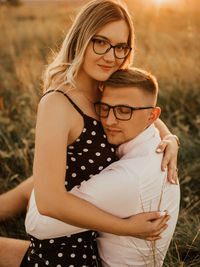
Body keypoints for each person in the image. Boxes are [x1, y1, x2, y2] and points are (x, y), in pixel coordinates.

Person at [0, 0, 179, 266]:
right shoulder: (58, 103)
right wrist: (126, 227)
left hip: (95, 237)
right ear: (80, 39)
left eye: (120, 47)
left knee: (33, 183)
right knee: (34, 185)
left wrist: (169, 138)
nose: (111, 56)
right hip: (63, 245)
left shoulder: (109, 86)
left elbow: (145, 113)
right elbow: (48, 202)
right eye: (100, 42)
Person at [25, 68, 180, 266]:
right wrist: (171, 137)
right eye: (104, 108)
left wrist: (53, 169)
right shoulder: (154, 146)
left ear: (152, 116)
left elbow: (36, 224)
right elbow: (140, 109)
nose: (109, 120)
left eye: (124, 110)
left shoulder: (130, 178)